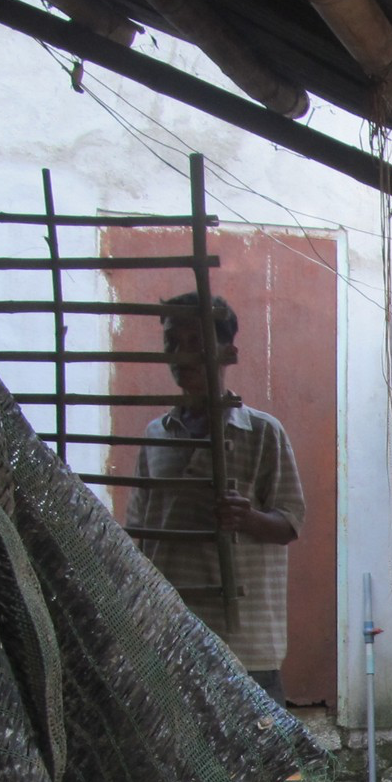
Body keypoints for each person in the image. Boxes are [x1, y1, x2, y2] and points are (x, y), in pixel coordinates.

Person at [125, 291, 303, 702]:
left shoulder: (262, 432)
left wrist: (249, 519)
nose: (182, 355)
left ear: (228, 353)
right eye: (173, 343)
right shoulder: (156, 435)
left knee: (259, 761)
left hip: (244, 643)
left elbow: (291, 523)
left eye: (198, 343)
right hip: (171, 631)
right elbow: (140, 533)